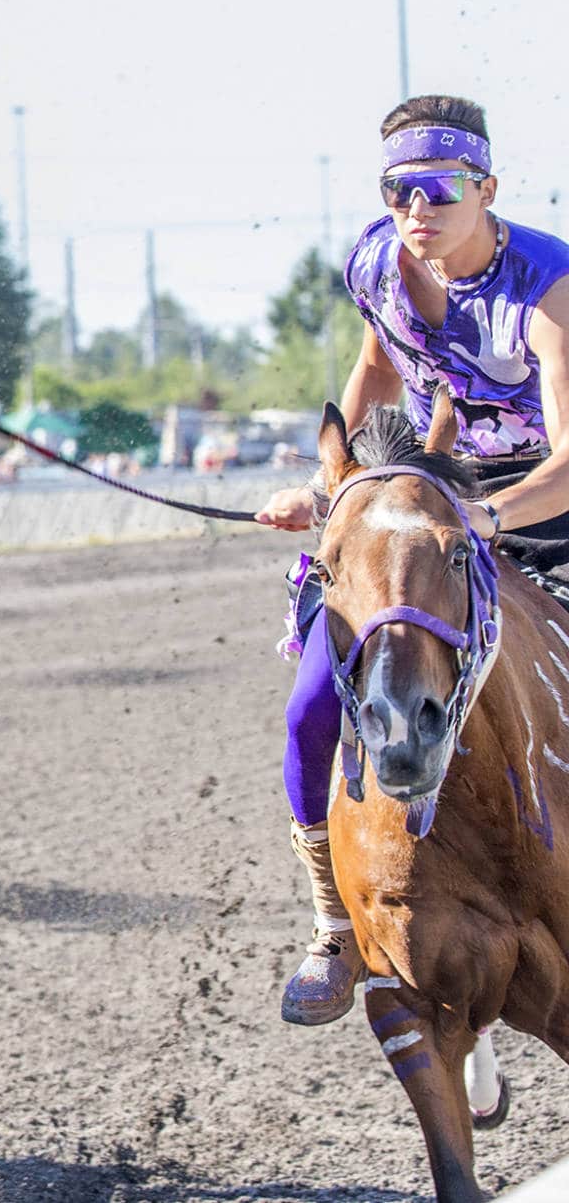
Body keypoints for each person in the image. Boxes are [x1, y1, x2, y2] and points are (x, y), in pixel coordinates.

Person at [255, 94, 569, 1025]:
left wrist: (488, 515)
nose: (417, 209)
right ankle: (332, 925)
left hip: (539, 496)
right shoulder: (377, 264)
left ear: (487, 189)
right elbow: (379, 369)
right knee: (315, 700)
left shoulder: (545, 283)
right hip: (429, 496)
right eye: (398, 190)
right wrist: (329, 484)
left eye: (439, 189)